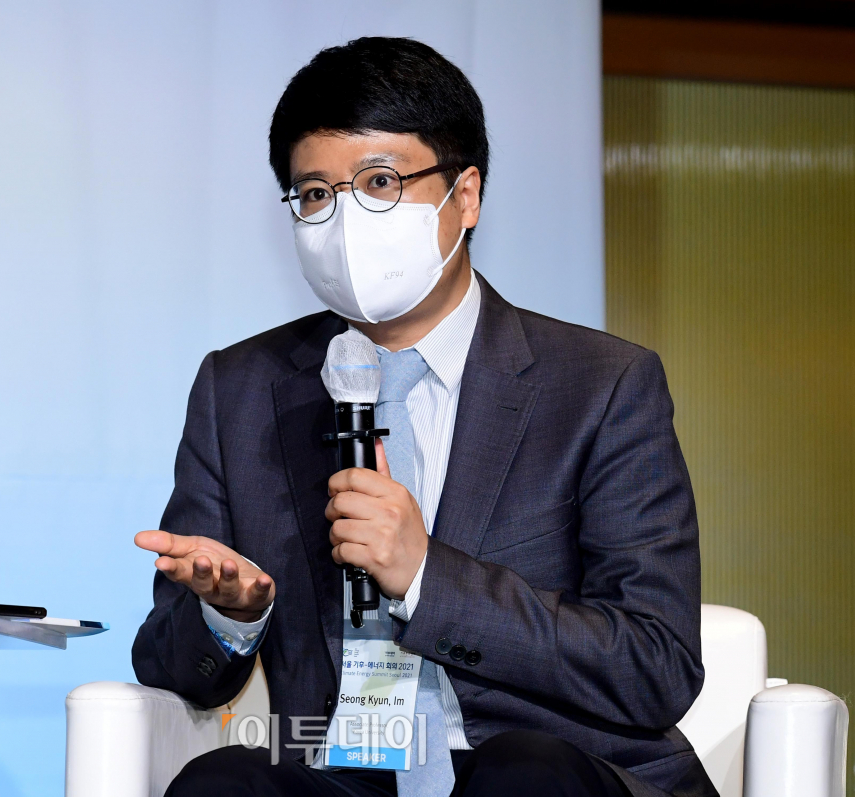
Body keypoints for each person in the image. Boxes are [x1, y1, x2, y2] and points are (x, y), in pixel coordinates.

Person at [132, 37, 716, 797]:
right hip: (347, 772)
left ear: (464, 196)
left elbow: (656, 664)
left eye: (380, 182)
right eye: (316, 194)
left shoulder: (600, 385)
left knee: (522, 776)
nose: (345, 219)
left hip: (545, 767)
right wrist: (231, 617)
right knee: (221, 785)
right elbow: (170, 669)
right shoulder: (238, 388)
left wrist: (426, 577)